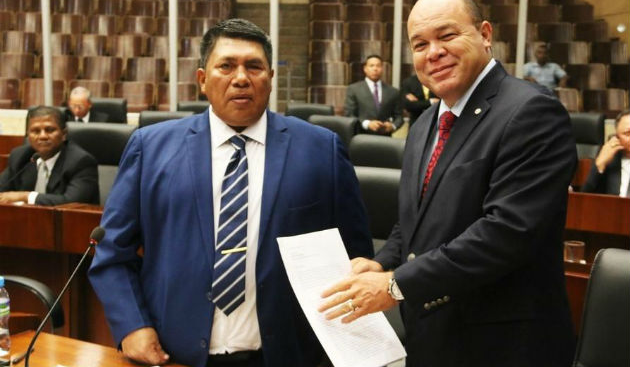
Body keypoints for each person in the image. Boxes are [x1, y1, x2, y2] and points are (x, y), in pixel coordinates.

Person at [88, 19, 372, 367]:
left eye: (254, 66)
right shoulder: (151, 148)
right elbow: (112, 254)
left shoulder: (321, 150)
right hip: (174, 355)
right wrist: (131, 325)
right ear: (203, 80)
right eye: (226, 66)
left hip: (286, 355)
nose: (241, 77)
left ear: (270, 78)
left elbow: (355, 256)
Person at [319, 0, 577, 367]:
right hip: (431, 336)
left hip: (502, 344)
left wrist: (396, 284)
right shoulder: (425, 122)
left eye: (447, 35)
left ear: (485, 34)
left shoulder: (531, 111)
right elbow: (416, 219)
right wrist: (382, 261)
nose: (433, 52)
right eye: (420, 44)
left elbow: (506, 232)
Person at [0, 106, 99, 205]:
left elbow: (71, 202)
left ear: (64, 134)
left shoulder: (80, 161)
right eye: (36, 131)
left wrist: (26, 196)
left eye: (50, 130)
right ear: (28, 135)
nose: (43, 136)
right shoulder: (20, 157)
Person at [344, 55, 402, 135]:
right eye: (371, 66)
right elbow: (349, 114)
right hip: (361, 137)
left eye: (378, 66)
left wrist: (393, 126)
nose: (375, 69)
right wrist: (367, 124)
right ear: (365, 69)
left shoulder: (393, 92)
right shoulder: (354, 89)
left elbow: (399, 116)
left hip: (385, 139)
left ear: (382, 69)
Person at [582, 109, 630, 196]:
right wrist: (600, 164)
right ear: (617, 137)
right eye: (627, 133)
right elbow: (586, 198)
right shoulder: (610, 158)